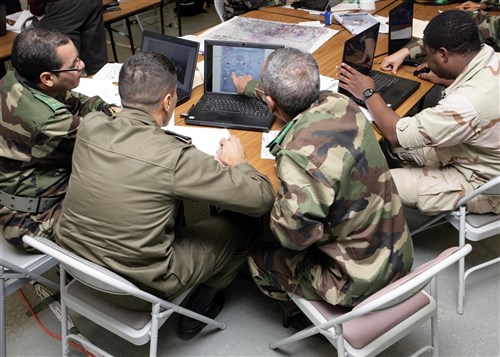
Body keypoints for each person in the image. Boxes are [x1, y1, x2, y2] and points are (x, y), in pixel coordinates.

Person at [54, 51, 275, 340]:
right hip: (138, 289)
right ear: (168, 102)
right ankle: (201, 302)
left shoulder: (91, 126)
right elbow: (261, 198)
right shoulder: (174, 157)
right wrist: (239, 163)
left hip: (74, 266)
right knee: (244, 222)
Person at [232, 47, 413, 325]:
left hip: (356, 281)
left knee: (258, 257)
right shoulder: (342, 103)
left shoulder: (298, 158)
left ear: (271, 102)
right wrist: (254, 89)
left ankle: (300, 314)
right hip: (397, 252)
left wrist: (242, 170)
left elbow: (293, 238)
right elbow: (295, 102)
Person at [338, 10, 500, 222]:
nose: (428, 60)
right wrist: (448, 79)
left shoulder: (464, 105)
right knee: (391, 147)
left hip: (482, 185)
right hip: (477, 155)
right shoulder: (492, 59)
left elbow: (395, 133)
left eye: (428, 55)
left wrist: (368, 91)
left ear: (443, 54)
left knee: (371, 181)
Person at [0, 28, 117, 251]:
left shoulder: (16, 78)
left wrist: (107, 108)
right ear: (48, 78)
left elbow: (78, 101)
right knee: (135, 191)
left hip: (20, 199)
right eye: (74, 65)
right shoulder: (45, 120)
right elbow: (105, 143)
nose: (82, 66)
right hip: (32, 222)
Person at [28, 0, 108, 75]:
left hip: (59, 6)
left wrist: (37, 7)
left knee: (64, 64)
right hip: (89, 3)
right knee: (95, 60)